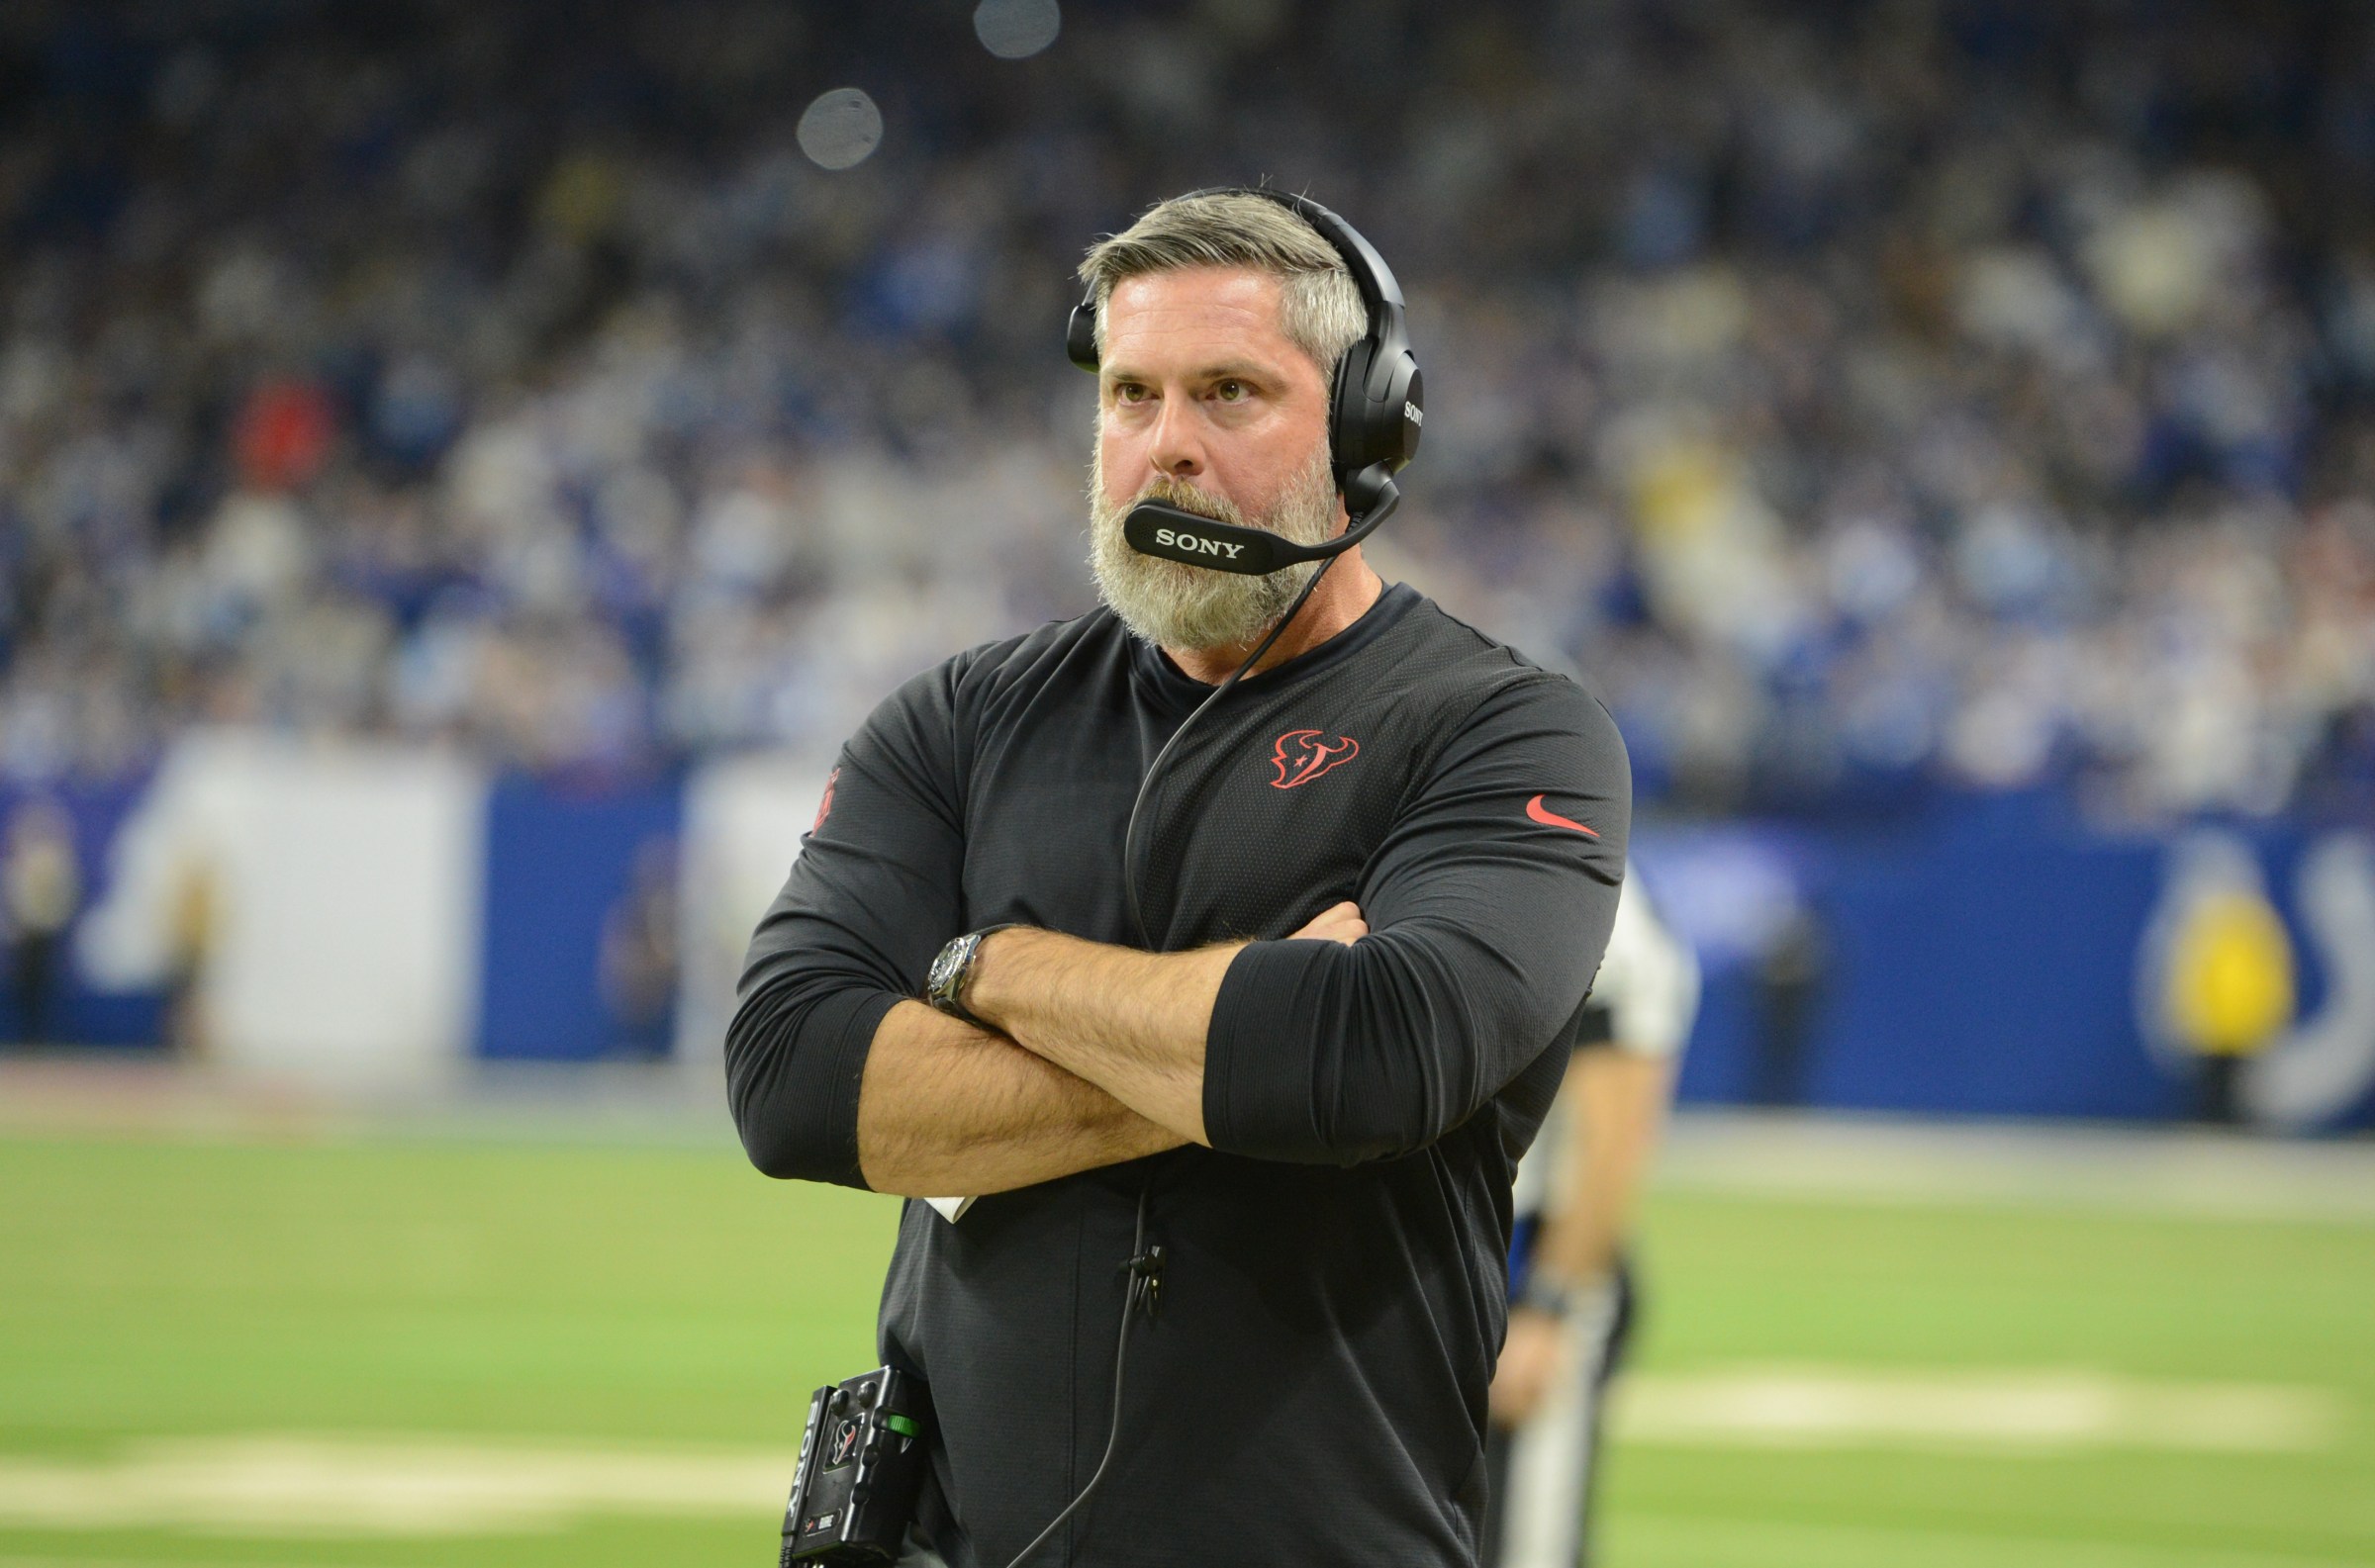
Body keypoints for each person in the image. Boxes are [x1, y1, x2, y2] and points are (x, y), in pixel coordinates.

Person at [726, 189, 1629, 1568]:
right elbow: (791, 1077)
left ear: (1366, 426)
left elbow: (1370, 1056)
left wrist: (984, 969)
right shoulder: (958, 723)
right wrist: (1230, 1048)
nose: (1168, 446)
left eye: (1230, 393)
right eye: (1130, 396)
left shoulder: (1506, 731)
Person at [1479, 874, 1699, 1568]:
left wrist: (1551, 1302)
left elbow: (1616, 1129)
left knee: (1521, 1547)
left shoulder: (1597, 900)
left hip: (1526, 1262)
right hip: (1438, 1254)